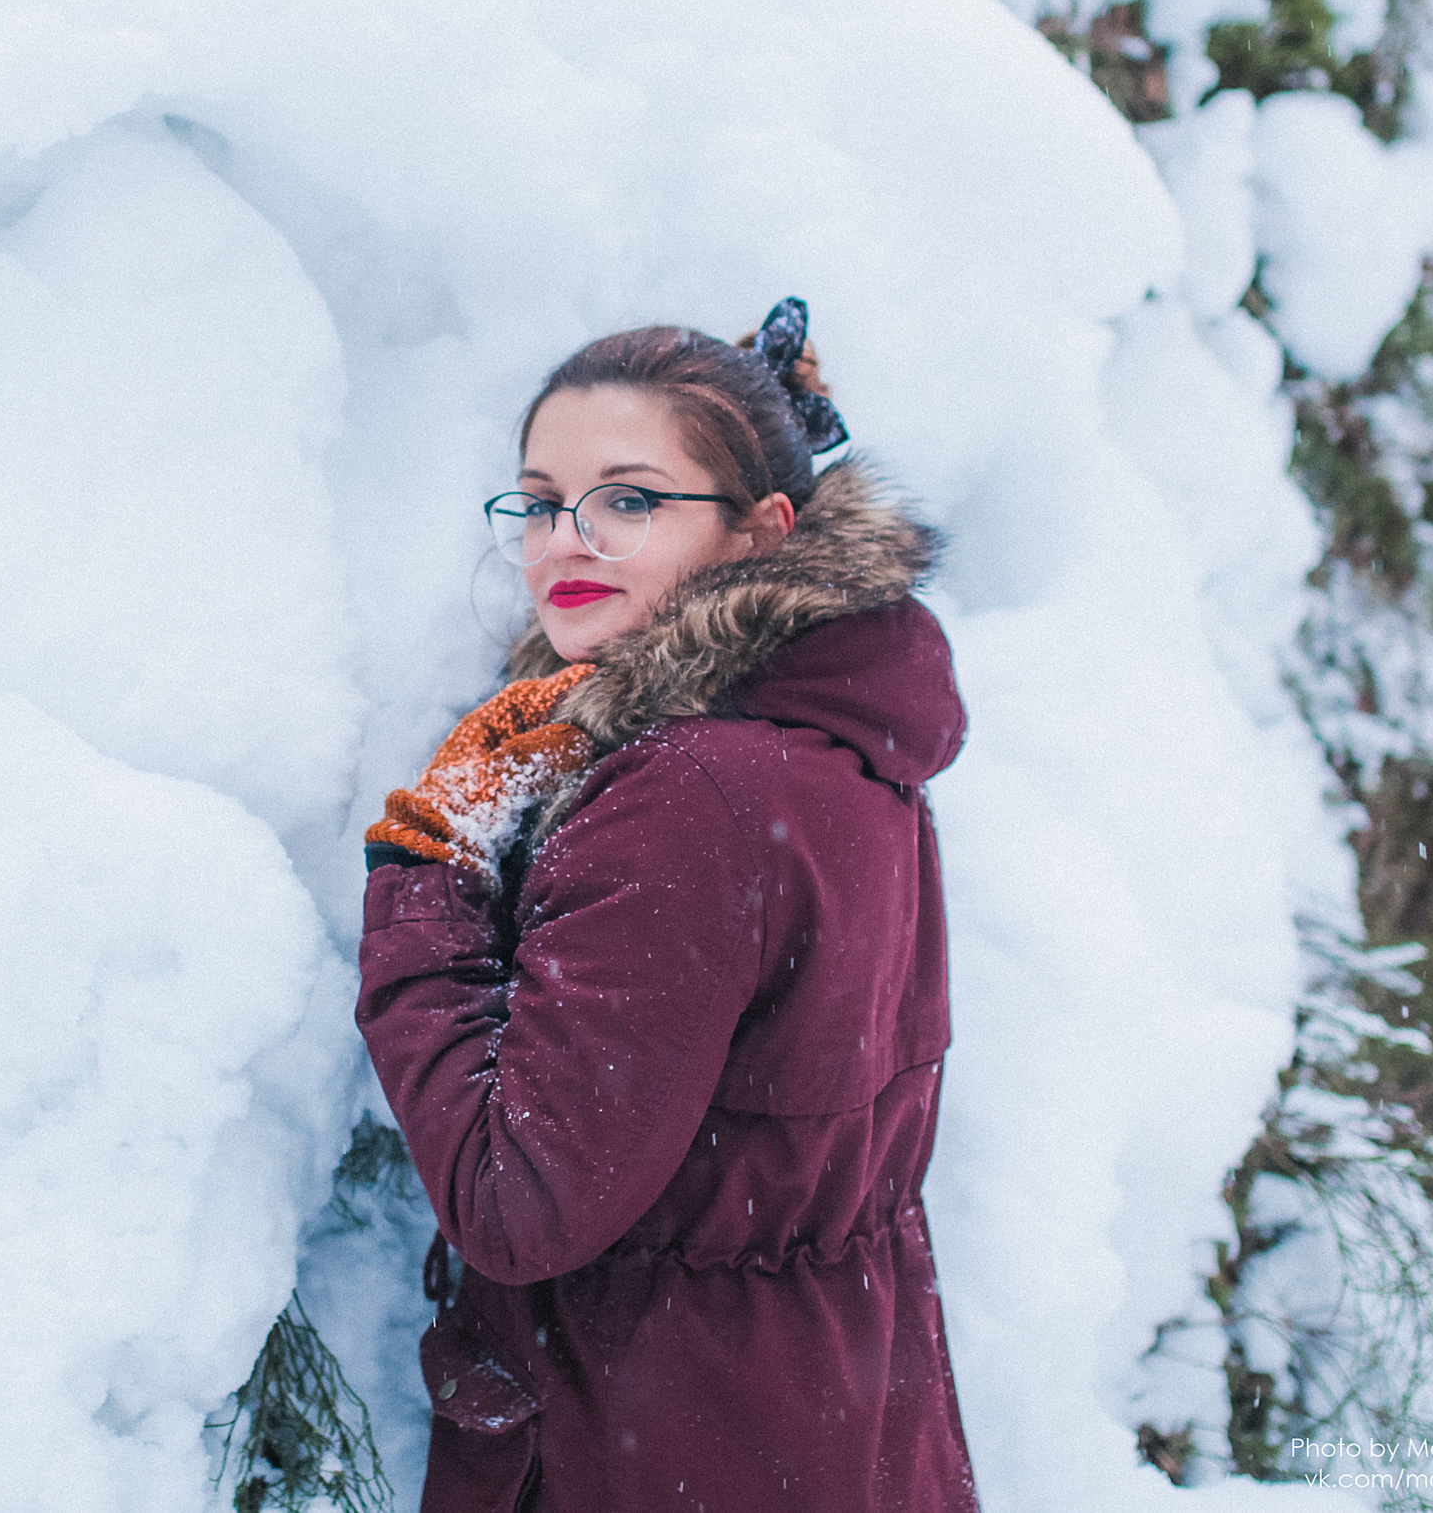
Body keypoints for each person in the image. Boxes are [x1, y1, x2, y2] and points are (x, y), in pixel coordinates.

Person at [357, 300, 981, 1512]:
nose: (563, 543)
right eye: (539, 502)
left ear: (762, 533)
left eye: (629, 501)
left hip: (656, 1434)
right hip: (826, 1412)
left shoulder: (689, 789)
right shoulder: (842, 738)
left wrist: (427, 868)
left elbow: (515, 1204)